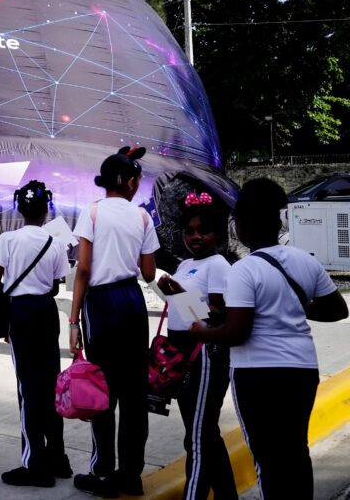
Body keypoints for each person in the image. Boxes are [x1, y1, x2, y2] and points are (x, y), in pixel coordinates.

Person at [191, 178, 348, 499]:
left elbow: (236, 332)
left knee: (268, 459)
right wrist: (295, 305)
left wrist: (203, 330)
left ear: (243, 225)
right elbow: (337, 309)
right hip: (302, 371)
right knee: (295, 453)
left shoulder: (244, 270)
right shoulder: (306, 260)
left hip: (258, 376)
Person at [69, 146, 159, 497]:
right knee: (134, 394)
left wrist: (74, 320)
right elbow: (148, 272)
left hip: (101, 304)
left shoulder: (91, 212)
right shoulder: (142, 217)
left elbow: (84, 268)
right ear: (131, 182)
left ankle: (103, 473)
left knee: (101, 390)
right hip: (132, 302)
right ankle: (131, 475)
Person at [155, 191, 238, 500]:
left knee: (199, 438)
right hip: (183, 354)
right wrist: (174, 292)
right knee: (203, 434)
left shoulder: (218, 265)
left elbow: (217, 317)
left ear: (217, 233)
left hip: (204, 355)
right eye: (189, 231)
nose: (195, 237)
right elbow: (186, 311)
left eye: (203, 230)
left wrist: (179, 294)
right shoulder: (186, 263)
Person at [0, 180, 72, 488]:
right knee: (51, 384)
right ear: (46, 208)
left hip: (20, 313)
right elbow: (54, 286)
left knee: (27, 388)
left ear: (19, 208)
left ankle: (34, 464)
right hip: (46, 313)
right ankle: (58, 458)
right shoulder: (56, 241)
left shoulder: (7, 239)